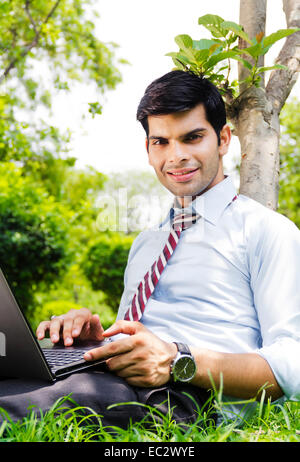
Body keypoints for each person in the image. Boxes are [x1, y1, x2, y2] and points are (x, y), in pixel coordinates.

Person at [0, 70, 299, 427]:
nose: (176, 156)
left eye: (192, 138)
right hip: (113, 380)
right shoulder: (147, 242)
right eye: (161, 142)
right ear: (148, 149)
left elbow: (290, 366)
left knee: (24, 407)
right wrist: (98, 340)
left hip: (189, 397)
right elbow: (141, 336)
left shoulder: (267, 231)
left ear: (223, 139)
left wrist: (176, 359)